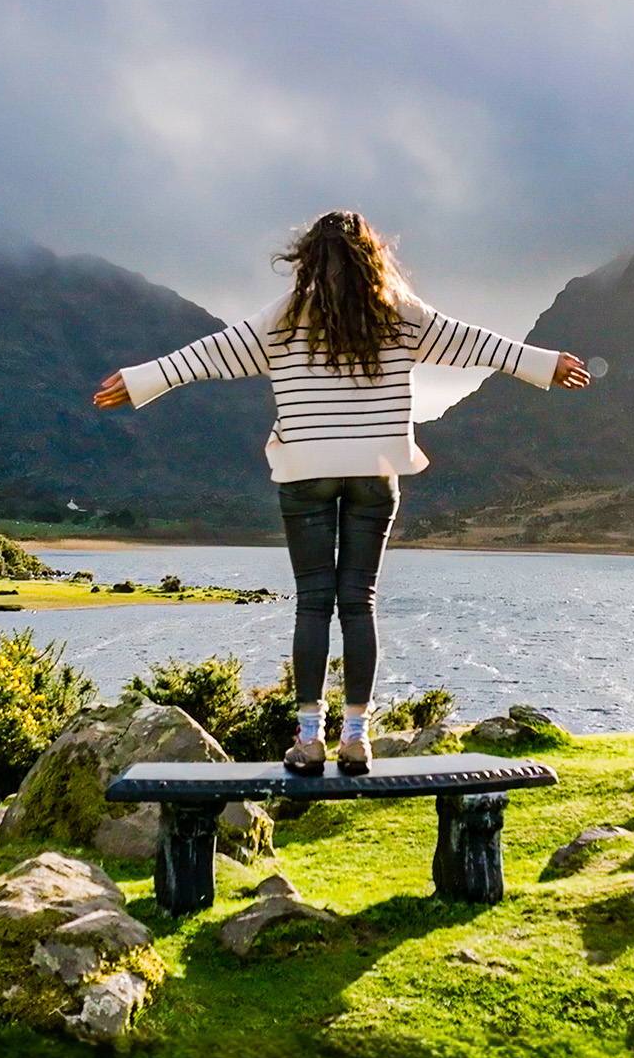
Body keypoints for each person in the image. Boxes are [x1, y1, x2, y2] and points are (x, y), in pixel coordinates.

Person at [94, 210, 592, 776]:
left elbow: (208, 354)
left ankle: (309, 741)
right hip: (375, 472)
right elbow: (471, 342)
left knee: (313, 603)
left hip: (306, 470)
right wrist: (541, 364)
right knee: (358, 603)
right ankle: (357, 738)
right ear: (371, 257)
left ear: (308, 260)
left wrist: (139, 381)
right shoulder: (400, 313)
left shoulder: (282, 319)